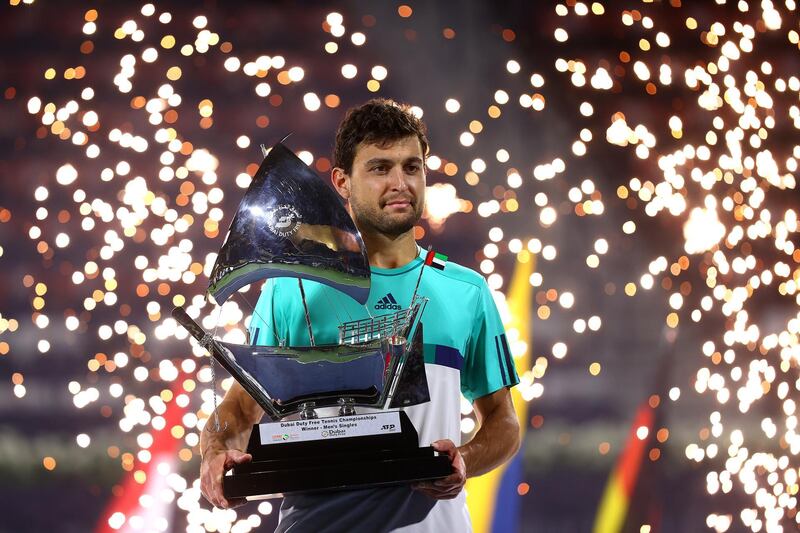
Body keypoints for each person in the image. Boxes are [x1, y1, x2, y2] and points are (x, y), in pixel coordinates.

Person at [200, 98, 521, 532]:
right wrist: (214, 449)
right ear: (342, 182)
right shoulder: (289, 290)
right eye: (379, 168)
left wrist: (464, 458)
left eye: (412, 167)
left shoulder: (466, 291)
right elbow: (237, 411)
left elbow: (503, 422)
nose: (400, 183)